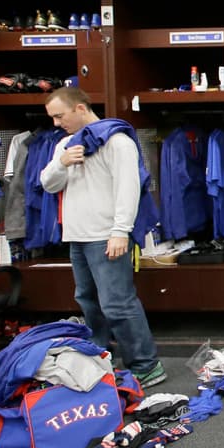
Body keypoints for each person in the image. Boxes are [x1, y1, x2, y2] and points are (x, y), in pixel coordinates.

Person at [40, 87, 165, 388]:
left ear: (80, 108)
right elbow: (48, 184)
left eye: (60, 116)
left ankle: (146, 366)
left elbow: (129, 187)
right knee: (88, 301)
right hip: (78, 237)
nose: (56, 123)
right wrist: (62, 163)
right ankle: (98, 361)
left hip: (107, 236)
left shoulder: (117, 141)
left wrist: (120, 231)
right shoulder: (65, 145)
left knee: (117, 304)